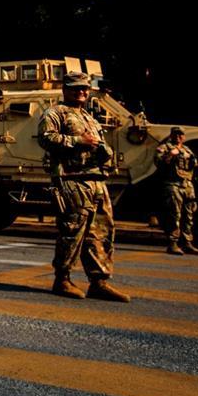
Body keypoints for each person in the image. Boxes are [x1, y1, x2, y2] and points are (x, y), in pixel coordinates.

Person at [37, 72, 131, 302]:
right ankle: (62, 279)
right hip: (72, 180)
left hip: (96, 179)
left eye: (85, 89)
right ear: (65, 90)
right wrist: (79, 142)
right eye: (76, 88)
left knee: (101, 233)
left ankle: (99, 282)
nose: (82, 92)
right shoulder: (55, 113)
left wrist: (104, 151)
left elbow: (99, 144)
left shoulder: (89, 117)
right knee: (73, 231)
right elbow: (45, 138)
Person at [154, 126, 198, 255]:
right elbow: (158, 163)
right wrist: (170, 155)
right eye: (176, 134)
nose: (179, 137)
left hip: (187, 185)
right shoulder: (164, 148)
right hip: (173, 184)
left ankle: (187, 242)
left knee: (188, 214)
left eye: (181, 135)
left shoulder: (186, 149)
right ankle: (172, 243)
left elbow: (190, 164)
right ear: (171, 135)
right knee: (174, 214)